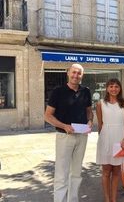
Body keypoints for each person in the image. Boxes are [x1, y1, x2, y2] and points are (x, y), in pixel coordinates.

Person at [44, 63, 93, 202]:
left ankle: (73, 199)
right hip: (64, 136)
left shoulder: (86, 91)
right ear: (68, 73)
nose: (76, 75)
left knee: (76, 173)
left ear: (82, 76)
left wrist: (90, 121)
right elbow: (47, 116)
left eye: (79, 73)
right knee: (61, 173)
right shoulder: (58, 91)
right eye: (73, 72)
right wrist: (64, 126)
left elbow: (89, 112)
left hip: (82, 136)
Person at [96, 78, 124, 202]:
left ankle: (114, 199)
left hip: (120, 140)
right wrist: (101, 140)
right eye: (111, 86)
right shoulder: (100, 103)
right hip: (105, 138)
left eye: (116, 86)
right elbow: (100, 124)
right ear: (107, 88)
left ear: (120, 88)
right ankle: (107, 199)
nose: (114, 89)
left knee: (116, 170)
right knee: (106, 171)